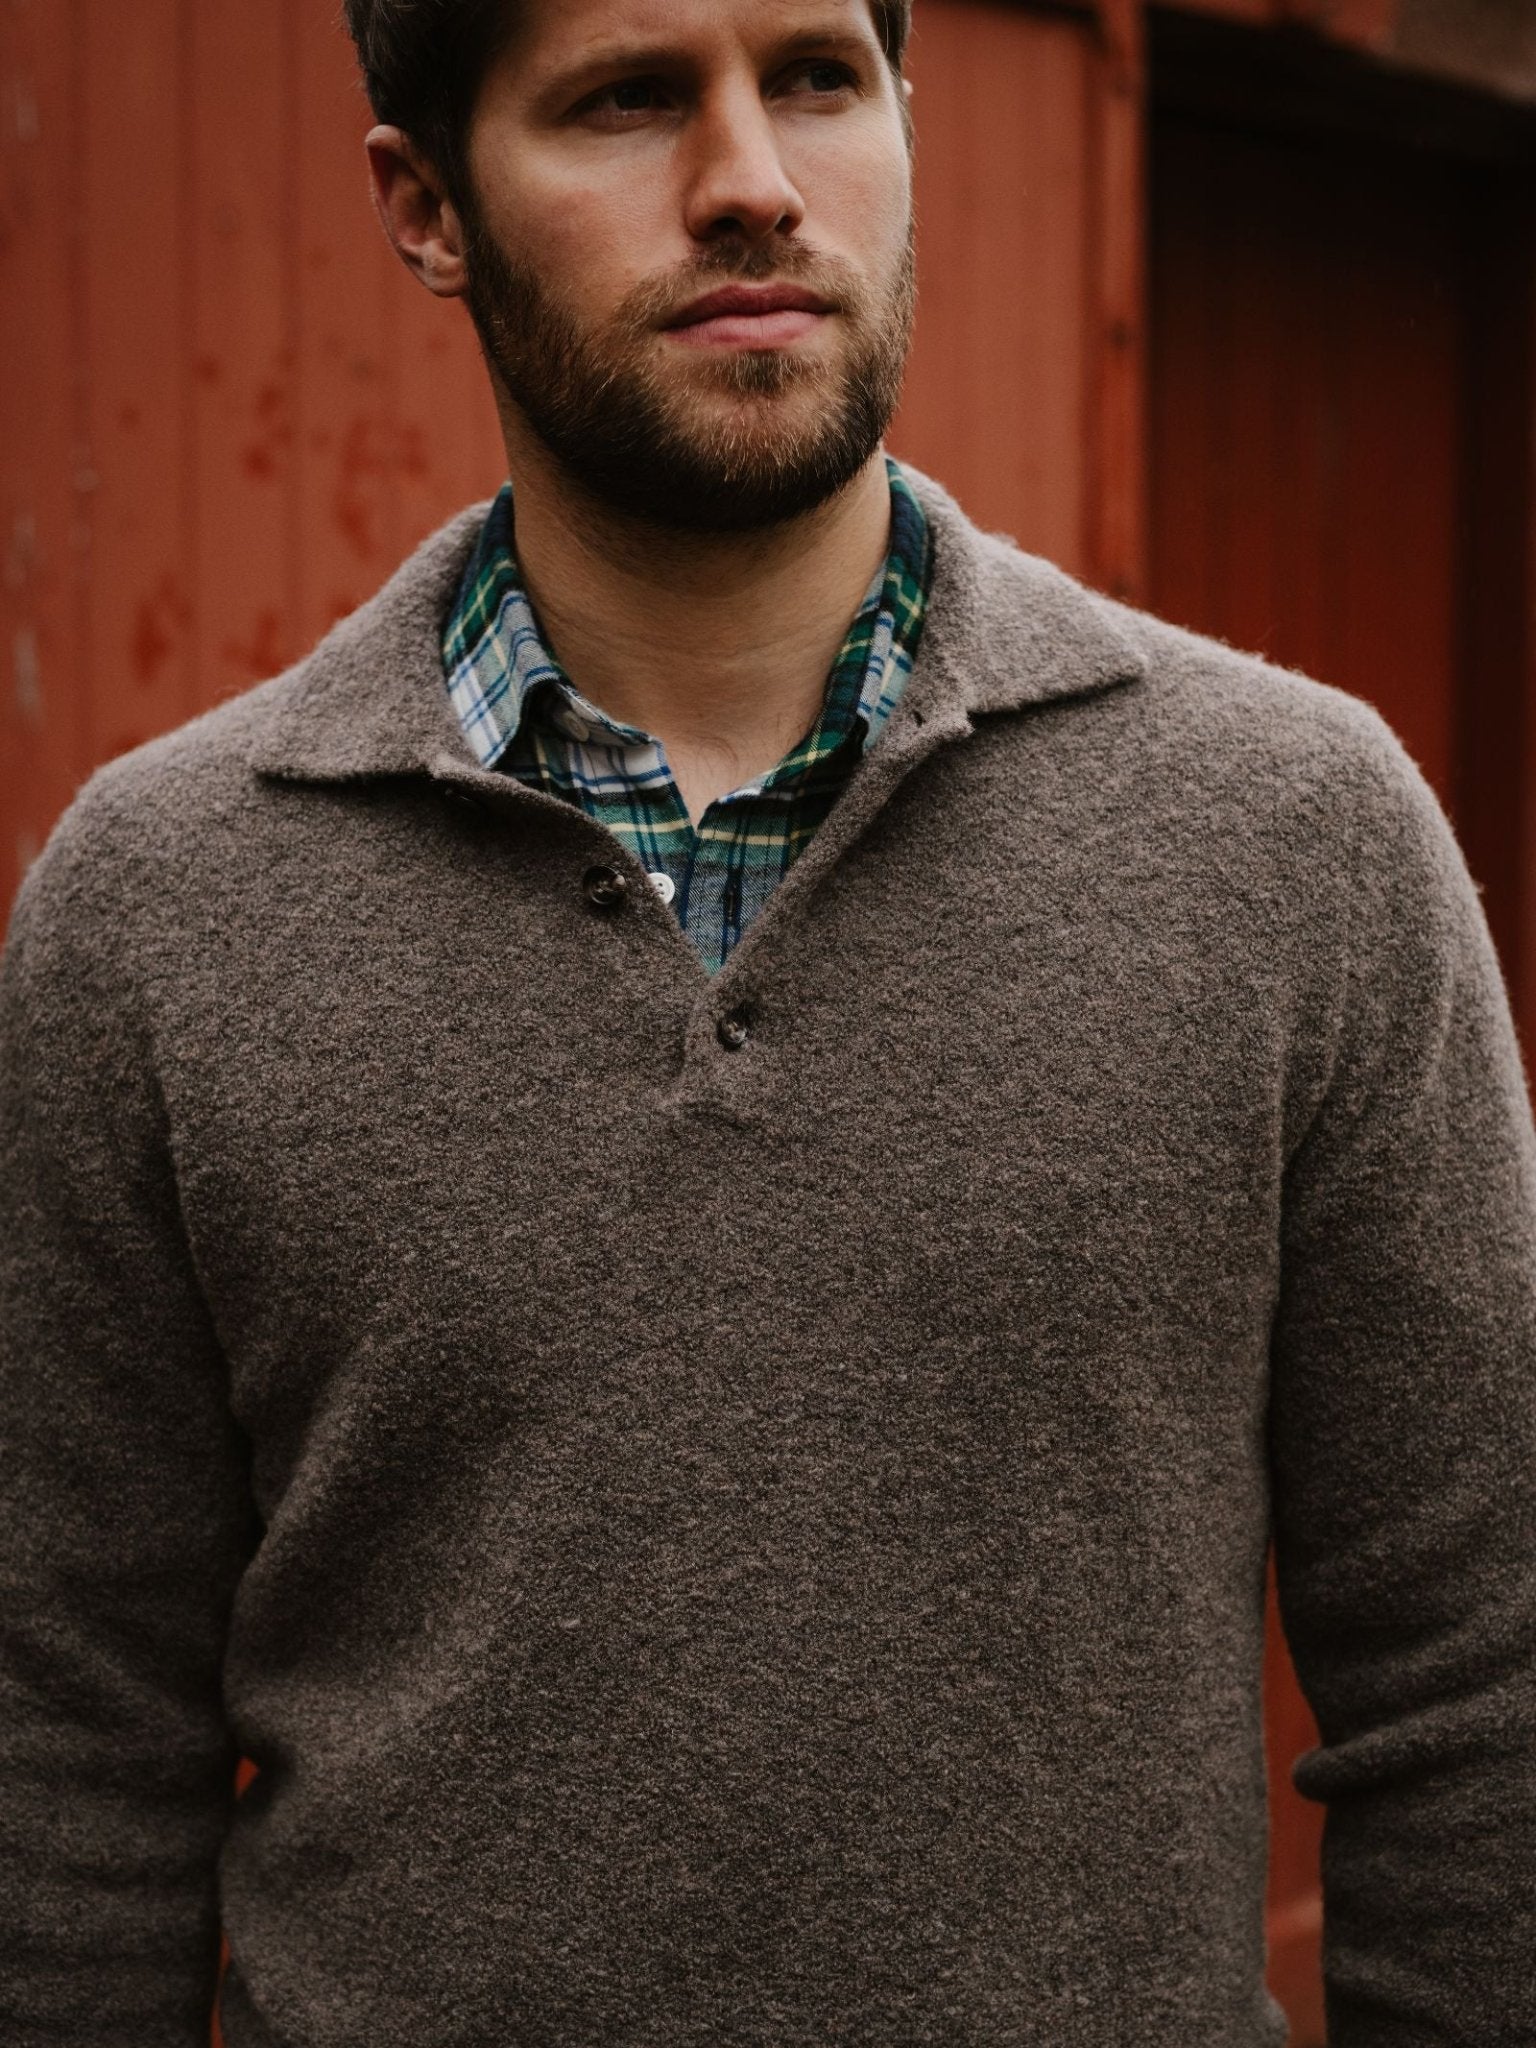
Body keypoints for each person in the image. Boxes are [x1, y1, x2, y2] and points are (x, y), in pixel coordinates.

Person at [1, 0, 1532, 2040]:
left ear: (908, 121)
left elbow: (1483, 1685)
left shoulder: (1301, 841)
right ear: (425, 203)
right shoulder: (160, 907)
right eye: (631, 97)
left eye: (815, 76)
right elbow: (63, 1761)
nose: (750, 178)